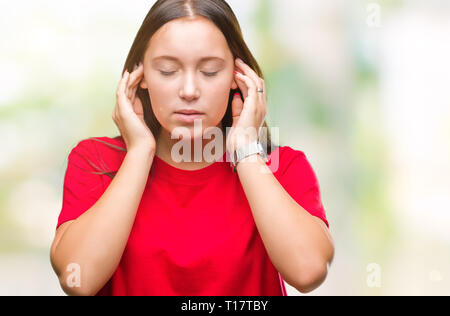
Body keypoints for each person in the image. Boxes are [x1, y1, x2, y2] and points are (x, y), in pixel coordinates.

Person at [50, 0, 334, 296]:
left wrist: (246, 149)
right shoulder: (96, 161)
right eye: (168, 70)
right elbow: (78, 280)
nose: (189, 91)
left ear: (238, 78)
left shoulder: (280, 166)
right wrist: (139, 153)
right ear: (140, 76)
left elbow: (308, 271)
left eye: (210, 71)